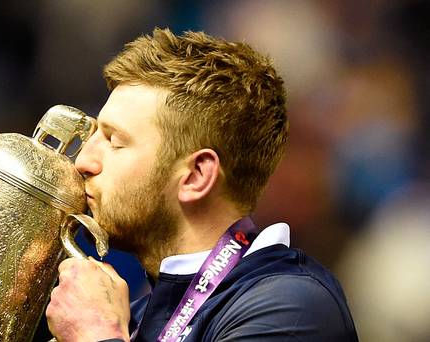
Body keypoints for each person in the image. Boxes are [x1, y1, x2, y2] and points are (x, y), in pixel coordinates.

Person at [45, 28, 358, 342]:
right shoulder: (133, 319)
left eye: (115, 141)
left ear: (196, 176)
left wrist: (97, 334)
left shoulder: (291, 308)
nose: (83, 161)